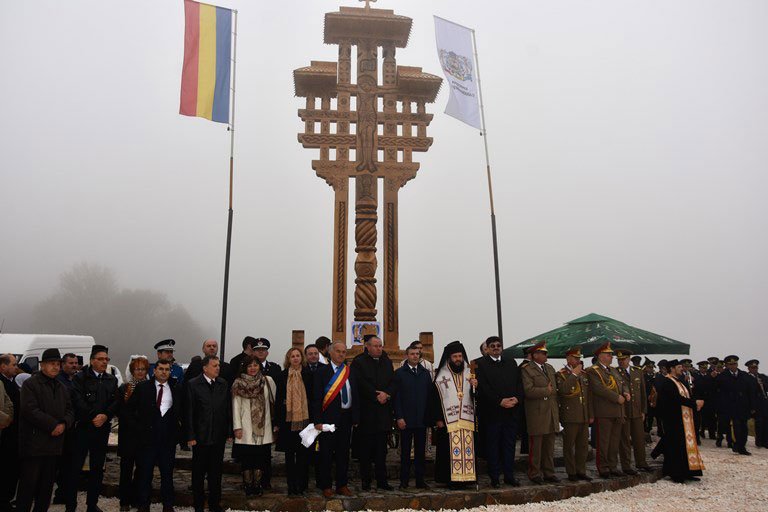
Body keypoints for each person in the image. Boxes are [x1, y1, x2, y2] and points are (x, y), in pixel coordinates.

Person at [16, 349, 74, 512]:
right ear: (42, 365)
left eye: (58, 364)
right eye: (52, 364)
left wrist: (63, 423)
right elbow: (30, 410)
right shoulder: (31, 384)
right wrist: (52, 425)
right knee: (28, 486)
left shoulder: (62, 387)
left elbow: (70, 410)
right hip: (34, 445)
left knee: (46, 488)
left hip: (54, 446)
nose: (55, 367)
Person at [67, 344, 119, 512]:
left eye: (106, 359)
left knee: (97, 469)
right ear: (92, 361)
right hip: (82, 429)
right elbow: (77, 400)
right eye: (101, 359)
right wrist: (93, 417)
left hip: (101, 430)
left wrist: (105, 416)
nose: (104, 362)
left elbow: (115, 402)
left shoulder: (112, 380)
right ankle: (70, 505)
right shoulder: (80, 378)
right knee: (75, 468)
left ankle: (92, 504)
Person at [130, 359, 182, 512]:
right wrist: (139, 429)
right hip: (147, 440)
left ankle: (168, 505)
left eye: (167, 369)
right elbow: (131, 411)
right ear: (154, 370)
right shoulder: (143, 388)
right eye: (161, 369)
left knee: (167, 474)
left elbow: (181, 411)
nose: (164, 372)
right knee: (145, 474)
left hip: (167, 440)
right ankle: (144, 505)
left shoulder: (176, 388)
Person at [312, 341, 360, 498]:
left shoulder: (349, 371)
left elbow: (356, 395)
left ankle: (342, 484)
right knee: (326, 453)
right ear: (330, 353)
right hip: (327, 419)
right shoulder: (321, 372)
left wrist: (355, 416)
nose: (341, 354)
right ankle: (326, 485)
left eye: (344, 352)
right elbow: (317, 398)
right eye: (338, 351)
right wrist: (317, 420)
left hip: (346, 418)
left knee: (343, 453)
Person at [186, 356, 232, 512]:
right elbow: (189, 412)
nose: (218, 368)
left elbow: (227, 409)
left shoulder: (223, 384)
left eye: (218, 365)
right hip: (200, 436)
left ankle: (214, 504)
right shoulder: (193, 384)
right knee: (198, 472)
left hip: (218, 436)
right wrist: (190, 435)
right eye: (214, 365)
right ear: (205, 368)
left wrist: (228, 431)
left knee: (216, 472)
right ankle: (198, 504)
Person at [429, 341, 477, 489]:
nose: (458, 359)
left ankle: (467, 479)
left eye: (460, 356)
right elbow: (435, 399)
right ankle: (450, 479)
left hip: (466, 418)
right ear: (449, 358)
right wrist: (438, 419)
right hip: (447, 420)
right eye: (455, 356)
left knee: (467, 449)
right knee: (447, 451)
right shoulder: (440, 376)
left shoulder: (470, 373)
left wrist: (476, 386)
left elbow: (476, 396)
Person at [475, 336, 522, 488]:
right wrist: (499, 401)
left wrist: (517, 398)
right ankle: (494, 477)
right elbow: (483, 388)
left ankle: (509, 475)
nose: (496, 348)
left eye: (498, 345)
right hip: (492, 413)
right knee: (493, 447)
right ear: (487, 348)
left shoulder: (511, 362)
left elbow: (518, 383)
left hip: (511, 412)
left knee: (509, 446)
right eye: (492, 346)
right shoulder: (480, 365)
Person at [352, 335, 395, 491]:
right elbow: (359, 383)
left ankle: (382, 481)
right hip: (367, 414)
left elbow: (393, 382)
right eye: (375, 346)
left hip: (383, 414)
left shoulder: (387, 361)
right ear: (367, 346)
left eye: (380, 346)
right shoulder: (358, 362)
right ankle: (366, 481)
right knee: (366, 451)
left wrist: (387, 394)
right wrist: (375, 395)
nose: (379, 348)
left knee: (381, 451)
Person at [231, 355, 277, 497]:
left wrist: (275, 424)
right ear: (245, 367)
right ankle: (248, 485)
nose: (253, 368)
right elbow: (236, 407)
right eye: (250, 366)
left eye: (255, 365)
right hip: (245, 427)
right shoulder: (238, 383)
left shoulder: (267, 381)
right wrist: (237, 427)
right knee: (247, 458)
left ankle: (257, 485)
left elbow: (273, 401)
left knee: (260, 457)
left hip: (263, 426)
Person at [656, 359, 705, 483]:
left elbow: (687, 395)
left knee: (684, 446)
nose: (681, 369)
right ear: (672, 368)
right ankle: (675, 473)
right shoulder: (667, 382)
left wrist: (696, 402)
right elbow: (676, 399)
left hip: (684, 418)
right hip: (673, 419)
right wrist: (694, 403)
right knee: (675, 446)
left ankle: (688, 471)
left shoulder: (680, 381)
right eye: (678, 367)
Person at [393, 345, 432, 490]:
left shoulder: (425, 373)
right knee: (405, 453)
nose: (415, 356)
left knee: (420, 453)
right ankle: (404, 481)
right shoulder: (399, 374)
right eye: (412, 354)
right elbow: (396, 398)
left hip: (421, 420)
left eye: (417, 354)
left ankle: (420, 480)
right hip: (406, 420)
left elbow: (429, 397)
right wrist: (399, 417)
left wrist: (428, 417)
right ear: (407, 356)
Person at [274, 348, 312, 496]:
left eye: (297, 356)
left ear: (301, 358)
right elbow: (278, 400)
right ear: (288, 359)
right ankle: (291, 486)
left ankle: (302, 485)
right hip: (287, 420)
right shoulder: (282, 376)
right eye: (292, 356)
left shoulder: (308, 375)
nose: (295, 359)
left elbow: (314, 398)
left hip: (305, 420)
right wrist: (277, 421)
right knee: (289, 456)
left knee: (303, 455)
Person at [520, 341, 559, 485]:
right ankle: (534, 472)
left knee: (549, 446)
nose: (546, 355)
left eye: (546, 352)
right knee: (536, 446)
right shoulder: (527, 369)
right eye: (543, 353)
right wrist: (545, 391)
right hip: (536, 413)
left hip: (550, 411)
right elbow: (528, 391)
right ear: (535, 355)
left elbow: (554, 390)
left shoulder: (549, 368)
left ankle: (549, 472)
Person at [586, 342, 627, 479]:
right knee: (604, 442)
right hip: (604, 411)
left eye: (611, 354)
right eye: (608, 354)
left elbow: (622, 383)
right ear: (601, 356)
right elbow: (599, 389)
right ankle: (603, 468)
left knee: (614, 442)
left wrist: (626, 393)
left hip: (617, 411)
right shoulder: (593, 370)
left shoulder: (613, 370)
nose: (611, 357)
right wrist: (617, 397)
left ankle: (612, 466)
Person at [116, 356, 149, 511]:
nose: (140, 372)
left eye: (143, 369)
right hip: (128, 436)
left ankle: (138, 499)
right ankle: (124, 501)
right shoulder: (124, 388)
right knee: (126, 470)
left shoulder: (151, 387)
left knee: (142, 471)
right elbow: (121, 411)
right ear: (132, 371)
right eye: (137, 369)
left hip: (144, 437)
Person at [556, 347, 593, 481]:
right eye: (575, 358)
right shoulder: (561, 374)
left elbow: (588, 396)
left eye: (579, 358)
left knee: (582, 446)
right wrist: (574, 375)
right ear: (568, 359)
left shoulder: (584, 374)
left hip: (583, 415)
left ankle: (581, 470)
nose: (578, 360)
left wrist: (590, 414)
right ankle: (571, 472)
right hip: (570, 416)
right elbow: (564, 390)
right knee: (569, 446)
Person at [249, 338, 281, 489]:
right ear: (253, 352)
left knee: (265, 451)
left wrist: (276, 421)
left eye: (263, 350)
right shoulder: (246, 367)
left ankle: (265, 480)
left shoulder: (274, 369)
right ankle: (250, 480)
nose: (260, 352)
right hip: (250, 417)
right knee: (250, 451)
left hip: (268, 416)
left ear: (267, 352)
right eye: (257, 350)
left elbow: (277, 396)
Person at [615, 349, 651, 474]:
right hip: (624, 411)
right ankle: (626, 466)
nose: (621, 362)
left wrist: (643, 410)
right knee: (624, 440)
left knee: (639, 438)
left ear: (629, 359)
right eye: (619, 360)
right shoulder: (615, 372)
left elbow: (642, 392)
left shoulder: (637, 372)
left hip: (636, 411)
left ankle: (641, 462)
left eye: (623, 359)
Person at [715, 355, 753, 454]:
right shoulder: (722, 376)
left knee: (744, 427)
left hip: (743, 406)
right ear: (727, 365)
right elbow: (717, 391)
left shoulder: (744, 375)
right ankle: (737, 445)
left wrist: (752, 406)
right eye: (730, 364)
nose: (733, 366)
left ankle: (742, 446)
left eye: (734, 364)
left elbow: (750, 391)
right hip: (730, 407)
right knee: (735, 427)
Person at [0, 354, 21, 512]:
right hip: (5, 433)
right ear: (3, 366)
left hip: (13, 433)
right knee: (5, 469)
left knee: (11, 469)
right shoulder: (2, 383)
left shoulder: (10, 382)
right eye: (13, 364)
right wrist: (7, 419)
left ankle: (6, 499)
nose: (16, 367)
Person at [303, 344, 325, 488]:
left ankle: (321, 480)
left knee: (321, 451)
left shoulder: (325, 370)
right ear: (306, 356)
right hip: (306, 414)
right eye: (310, 354)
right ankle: (304, 481)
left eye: (315, 353)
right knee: (306, 449)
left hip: (322, 414)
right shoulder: (302, 371)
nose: (313, 356)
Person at [745, 359, 768, 448]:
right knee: (759, 423)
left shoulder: (762, 376)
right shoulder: (746, 377)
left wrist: (763, 384)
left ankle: (765, 441)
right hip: (754, 403)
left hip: (764, 403)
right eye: (752, 368)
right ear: (749, 368)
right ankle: (759, 441)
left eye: (756, 367)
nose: (755, 369)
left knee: (766, 423)